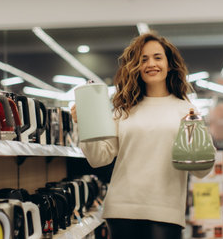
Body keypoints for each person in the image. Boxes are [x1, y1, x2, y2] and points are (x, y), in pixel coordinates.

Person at [71, 33, 214, 239]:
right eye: (143, 59)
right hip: (122, 209)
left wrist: (200, 145)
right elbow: (98, 158)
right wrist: (83, 123)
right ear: (135, 66)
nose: (151, 64)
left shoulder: (185, 110)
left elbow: (201, 170)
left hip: (166, 210)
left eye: (157, 57)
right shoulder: (123, 111)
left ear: (169, 64)